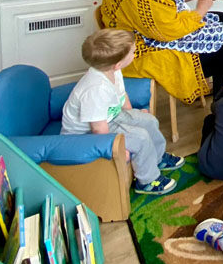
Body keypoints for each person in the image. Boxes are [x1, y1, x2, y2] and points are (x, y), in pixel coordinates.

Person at [61, 28, 184, 195]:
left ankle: (157, 157)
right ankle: (147, 181)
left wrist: (134, 114)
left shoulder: (113, 71)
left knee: (149, 121)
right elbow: (98, 130)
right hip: (86, 134)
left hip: (109, 117)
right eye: (133, 52)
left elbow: (121, 95)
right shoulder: (95, 89)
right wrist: (115, 149)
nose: (135, 54)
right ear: (117, 63)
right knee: (140, 137)